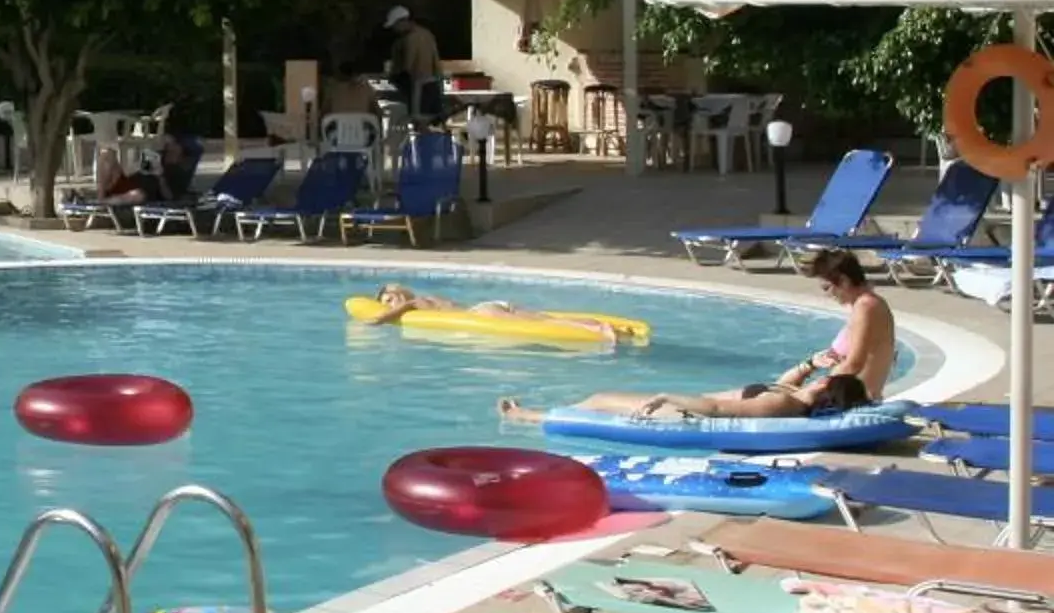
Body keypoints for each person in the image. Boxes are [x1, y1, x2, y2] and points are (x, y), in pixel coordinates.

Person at [504, 250, 892, 424]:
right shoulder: (861, 309)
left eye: (828, 287)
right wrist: (810, 366)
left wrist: (670, 398)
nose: (829, 295)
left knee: (604, 400)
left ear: (842, 280)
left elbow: (854, 365)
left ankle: (530, 416)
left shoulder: (866, 307)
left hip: (822, 398)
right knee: (605, 398)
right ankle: (536, 413)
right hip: (791, 391)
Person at [372, 283, 621, 348]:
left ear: (399, 293)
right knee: (545, 320)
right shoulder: (430, 298)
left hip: (482, 313)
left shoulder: (415, 302)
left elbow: (386, 317)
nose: (390, 304)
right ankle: (599, 325)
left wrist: (371, 321)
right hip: (493, 304)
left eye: (390, 299)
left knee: (546, 323)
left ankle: (596, 332)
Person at [386, 6, 445, 120]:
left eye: (395, 26)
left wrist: (394, 77)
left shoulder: (409, 39)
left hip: (418, 88)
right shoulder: (427, 34)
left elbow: (407, 68)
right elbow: (436, 63)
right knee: (434, 123)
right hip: (433, 84)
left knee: (418, 123)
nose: (394, 29)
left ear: (402, 21)